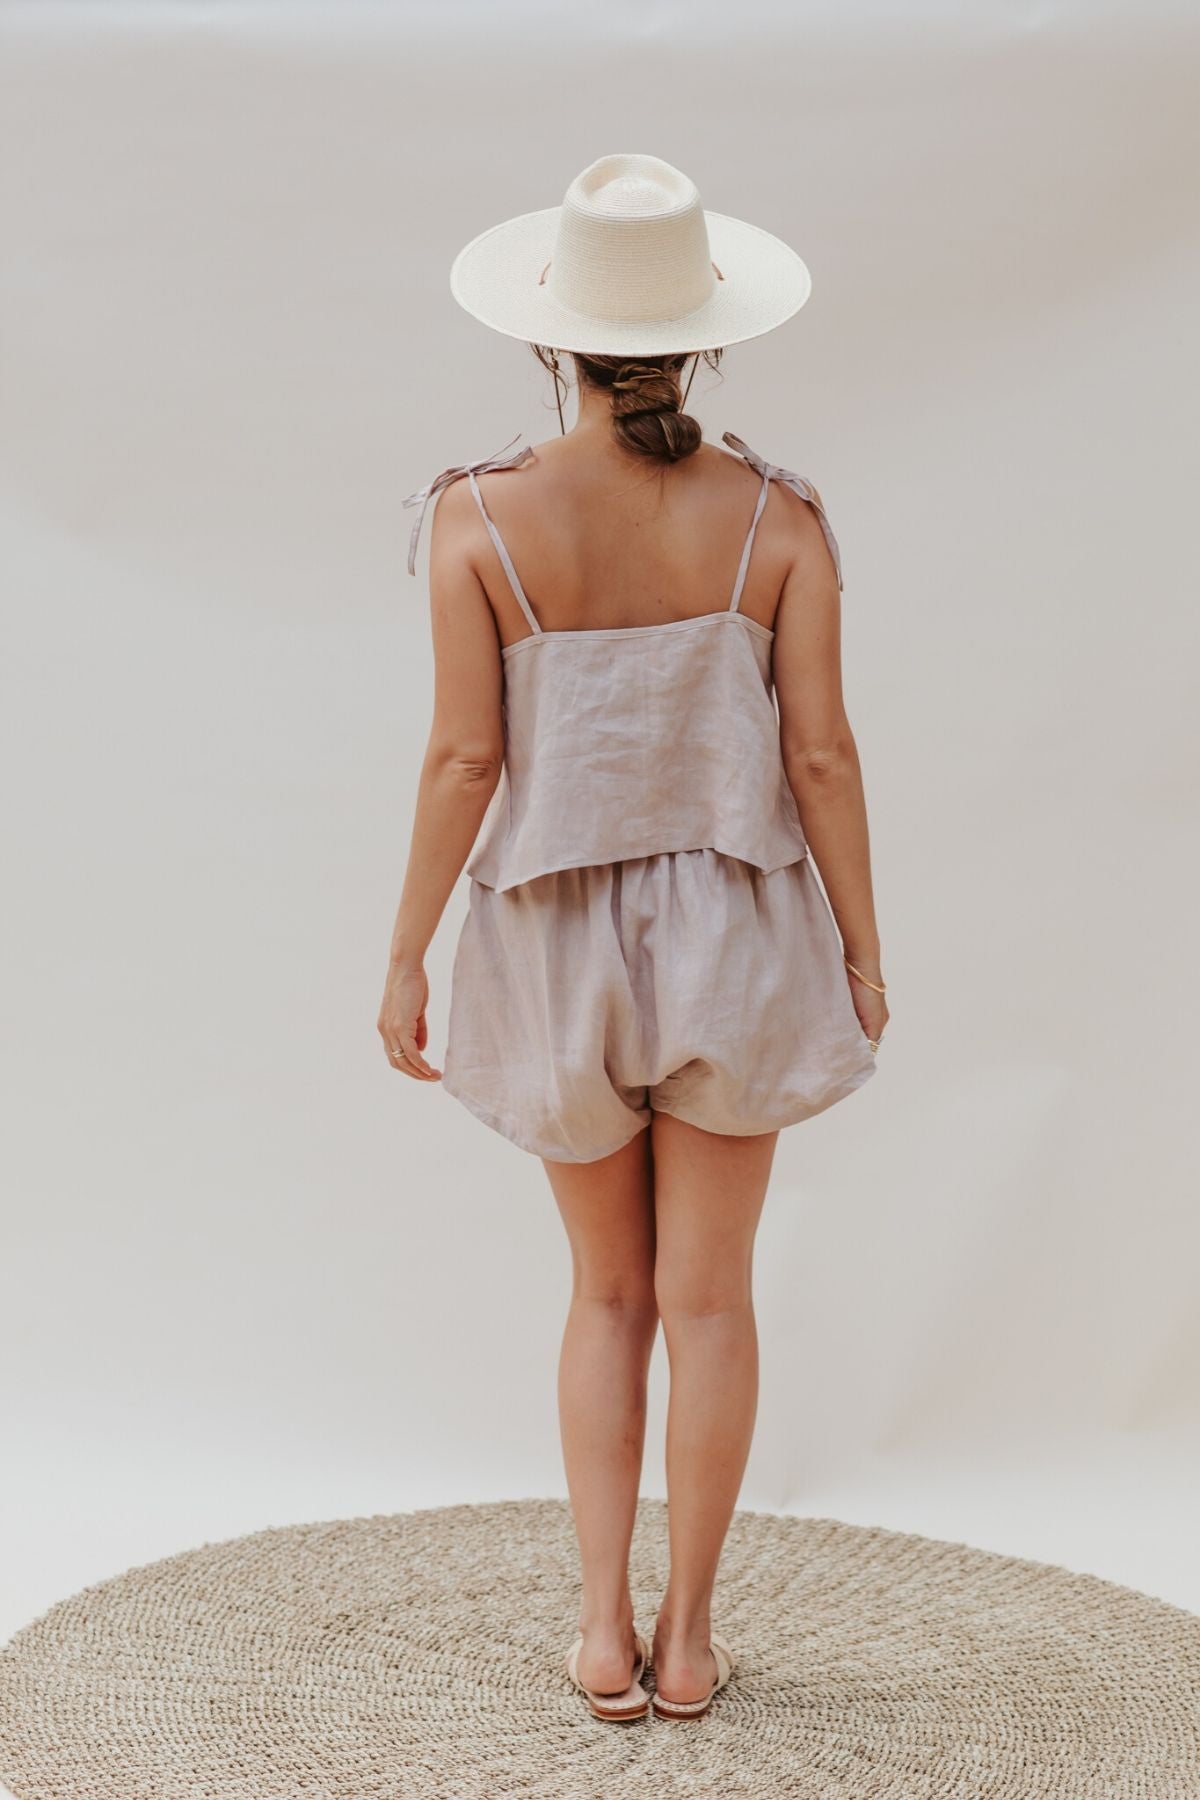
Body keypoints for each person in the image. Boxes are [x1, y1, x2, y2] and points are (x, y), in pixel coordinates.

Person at [378, 153, 888, 1724]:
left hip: (550, 947)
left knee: (606, 1298)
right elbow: (821, 758)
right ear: (706, 337)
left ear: (552, 336)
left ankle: (600, 1632)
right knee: (712, 1301)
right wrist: (863, 952)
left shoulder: (477, 520)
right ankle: (689, 1644)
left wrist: (402, 955)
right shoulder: (775, 518)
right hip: (739, 935)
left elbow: (468, 761)